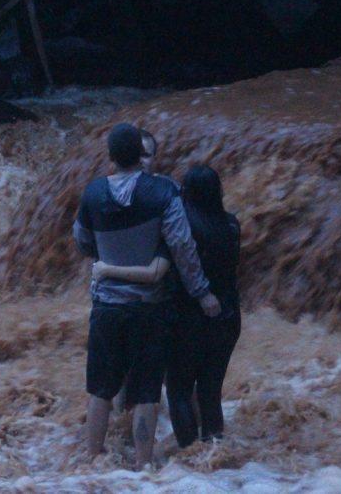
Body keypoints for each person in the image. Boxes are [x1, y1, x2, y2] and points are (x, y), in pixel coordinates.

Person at [73, 123, 220, 468]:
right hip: (148, 307)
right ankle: (142, 466)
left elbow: (81, 239)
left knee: (100, 388)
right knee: (147, 391)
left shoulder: (93, 193)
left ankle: (91, 459)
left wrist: (106, 257)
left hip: (106, 305)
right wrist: (201, 291)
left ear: (110, 157)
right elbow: (183, 246)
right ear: (142, 156)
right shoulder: (162, 193)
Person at [94, 164, 241, 445]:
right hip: (227, 316)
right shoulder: (232, 224)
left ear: (185, 193)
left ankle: (189, 453)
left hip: (187, 318)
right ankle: (214, 448)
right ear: (218, 192)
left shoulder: (180, 225)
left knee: (180, 391)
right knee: (211, 390)